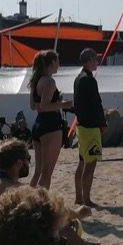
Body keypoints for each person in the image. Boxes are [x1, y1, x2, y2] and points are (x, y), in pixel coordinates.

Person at [28, 50, 72, 190]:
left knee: (38, 172)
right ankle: (41, 201)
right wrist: (63, 104)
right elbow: (45, 106)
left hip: (38, 124)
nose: (59, 65)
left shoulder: (35, 81)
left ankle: (28, 198)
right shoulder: (49, 81)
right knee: (47, 173)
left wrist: (55, 103)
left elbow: (33, 106)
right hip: (50, 125)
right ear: (52, 63)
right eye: (57, 61)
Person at [73, 48, 106, 208]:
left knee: (82, 162)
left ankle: (79, 197)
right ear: (88, 61)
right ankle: (86, 199)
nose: (97, 62)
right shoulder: (88, 80)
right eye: (94, 59)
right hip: (90, 127)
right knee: (90, 165)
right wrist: (102, 123)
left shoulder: (78, 78)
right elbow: (96, 104)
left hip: (81, 126)